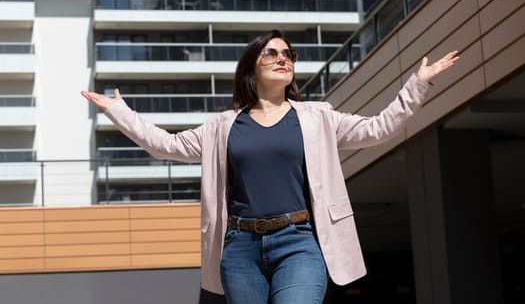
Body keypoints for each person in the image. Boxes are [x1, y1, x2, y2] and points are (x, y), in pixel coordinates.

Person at [81, 30, 459, 304]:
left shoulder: (318, 117)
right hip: (240, 248)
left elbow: (379, 128)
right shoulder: (222, 127)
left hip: (300, 242)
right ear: (251, 68)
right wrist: (119, 111)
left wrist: (417, 85)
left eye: (289, 54)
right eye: (272, 54)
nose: (284, 59)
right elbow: (166, 145)